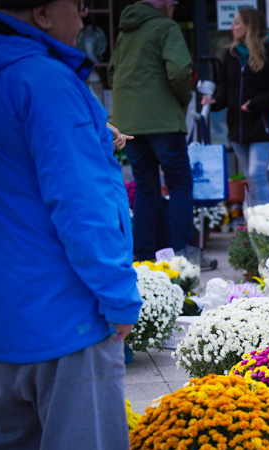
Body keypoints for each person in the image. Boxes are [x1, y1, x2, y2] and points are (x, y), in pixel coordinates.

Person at [0, 0, 142, 450]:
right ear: (44, 14)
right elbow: (83, 204)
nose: (86, 13)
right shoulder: (44, 81)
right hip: (67, 317)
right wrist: (119, 297)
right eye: (77, 4)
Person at [108, 0, 197, 262]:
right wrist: (182, 101)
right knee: (180, 184)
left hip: (130, 122)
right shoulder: (166, 27)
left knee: (146, 188)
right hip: (163, 120)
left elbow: (113, 71)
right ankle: (184, 258)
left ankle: (144, 257)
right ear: (165, 5)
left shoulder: (126, 31)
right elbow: (180, 71)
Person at [203, 7, 269, 205]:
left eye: (237, 23)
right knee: (251, 180)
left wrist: (257, 103)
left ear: (249, 27)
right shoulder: (232, 55)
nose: (232, 27)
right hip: (237, 128)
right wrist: (215, 101)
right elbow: (225, 88)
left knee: (256, 176)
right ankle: (256, 228)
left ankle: (267, 226)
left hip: (262, 125)